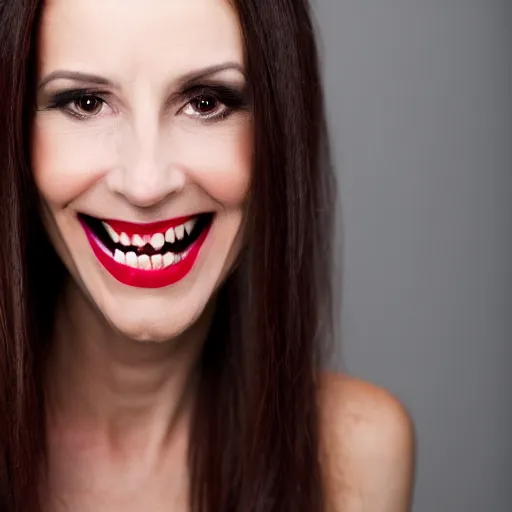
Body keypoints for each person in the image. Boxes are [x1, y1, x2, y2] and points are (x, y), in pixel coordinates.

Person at [0, 0, 415, 510]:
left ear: (277, 130)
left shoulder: (356, 451)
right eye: (85, 102)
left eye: (204, 102)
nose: (146, 183)